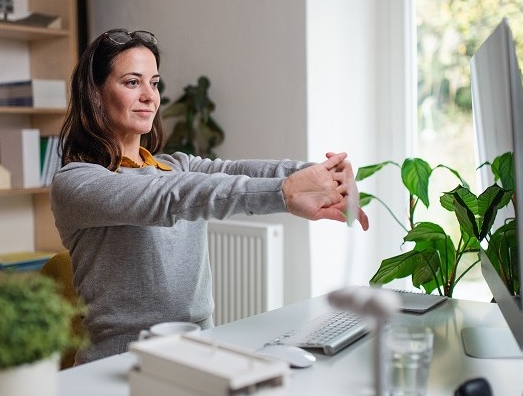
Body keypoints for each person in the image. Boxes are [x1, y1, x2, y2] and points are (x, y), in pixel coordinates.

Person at [50, 28, 369, 364]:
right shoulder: (77, 183)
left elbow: (235, 171)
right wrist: (285, 193)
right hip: (119, 362)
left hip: (200, 350)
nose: (150, 96)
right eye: (132, 82)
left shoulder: (176, 165)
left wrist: (321, 172)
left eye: (154, 83)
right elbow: (170, 197)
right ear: (96, 94)